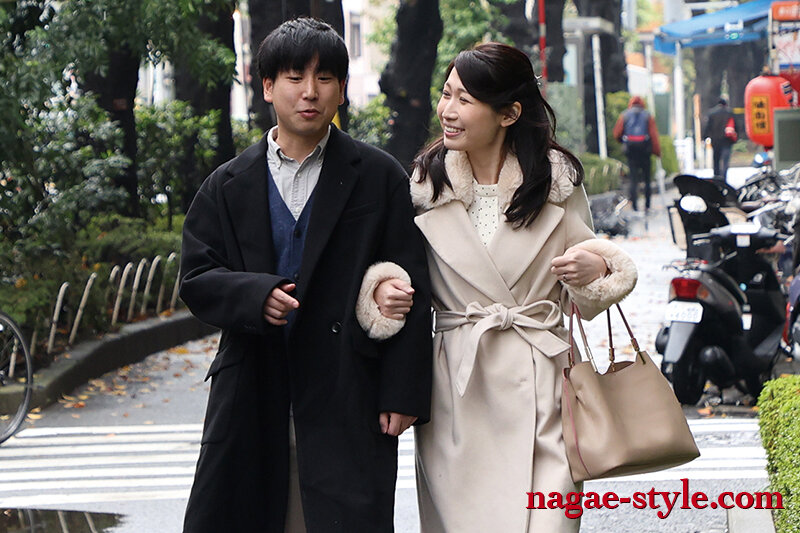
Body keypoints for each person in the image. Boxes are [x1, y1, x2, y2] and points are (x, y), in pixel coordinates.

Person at [360, 43, 638, 532]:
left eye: (465, 100)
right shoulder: (426, 185)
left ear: (509, 113)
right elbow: (399, 268)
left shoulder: (555, 181)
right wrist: (382, 291)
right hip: (458, 389)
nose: (448, 110)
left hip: (543, 382)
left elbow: (587, 275)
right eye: (446, 94)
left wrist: (595, 269)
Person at [179, 17, 432, 533]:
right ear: (267, 86)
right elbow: (197, 277)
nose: (310, 92)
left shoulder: (378, 176)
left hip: (348, 385)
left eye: (325, 78)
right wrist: (256, 296)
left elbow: (415, 284)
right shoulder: (228, 184)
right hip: (252, 385)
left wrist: (401, 392)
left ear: (342, 88)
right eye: (295, 77)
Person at [613, 95, 661, 213]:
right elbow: (653, 135)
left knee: (633, 179)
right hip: (645, 151)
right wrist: (657, 152)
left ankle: (634, 206)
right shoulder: (648, 115)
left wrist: (623, 142)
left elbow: (617, 133)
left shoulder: (624, 115)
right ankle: (647, 206)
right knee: (647, 179)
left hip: (631, 151)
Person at [703, 97, 738, 179]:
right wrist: (736, 137)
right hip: (727, 140)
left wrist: (704, 137)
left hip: (715, 140)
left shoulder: (712, 113)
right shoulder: (730, 113)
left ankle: (716, 176)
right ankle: (724, 176)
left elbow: (708, 127)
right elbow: (736, 126)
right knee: (725, 159)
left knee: (716, 159)